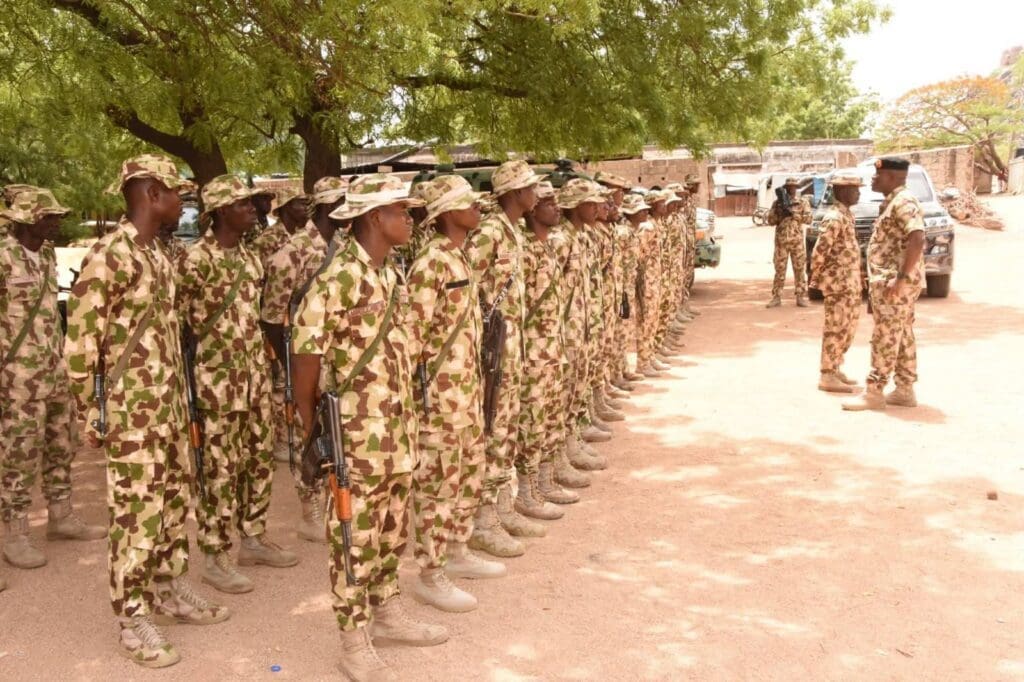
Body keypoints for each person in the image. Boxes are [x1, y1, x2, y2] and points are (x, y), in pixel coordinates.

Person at [65, 154, 229, 669]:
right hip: (132, 415)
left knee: (172, 504)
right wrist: (90, 413)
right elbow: (79, 346)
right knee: (136, 514)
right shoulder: (109, 257)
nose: (183, 204)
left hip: (168, 407)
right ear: (151, 193)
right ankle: (131, 614)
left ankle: (169, 588)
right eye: (177, 193)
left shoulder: (156, 255)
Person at [292, 173, 447, 681]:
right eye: (401, 211)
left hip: (395, 429)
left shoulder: (388, 273)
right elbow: (306, 356)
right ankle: (353, 639)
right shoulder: (338, 278)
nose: (409, 219)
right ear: (373, 218)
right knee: (353, 537)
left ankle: (387, 611)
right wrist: (313, 427)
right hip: (356, 435)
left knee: (391, 529)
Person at [177, 174, 299, 595]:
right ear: (220, 212)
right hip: (215, 385)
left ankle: (252, 537)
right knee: (218, 471)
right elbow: (178, 325)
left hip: (254, 381)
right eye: (243, 204)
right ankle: (214, 554)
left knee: (258, 462)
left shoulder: (251, 258)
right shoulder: (195, 260)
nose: (253, 209)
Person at [404, 175, 506, 614]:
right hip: (440, 399)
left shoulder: (459, 257)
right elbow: (413, 336)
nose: (477, 209)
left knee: (466, 475)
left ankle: (458, 550)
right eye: (467, 204)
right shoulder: (430, 264)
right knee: (438, 485)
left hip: (466, 390)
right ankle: (430, 573)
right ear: (446, 214)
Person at [1, 188, 105, 587]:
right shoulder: (3, 256)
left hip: (53, 367)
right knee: (19, 451)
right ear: (27, 220)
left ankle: (61, 516)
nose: (56, 222)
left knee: (62, 443)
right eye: (49, 217)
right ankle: (16, 533)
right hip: (17, 376)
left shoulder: (44, 254)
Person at [463, 160, 544, 557]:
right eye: (530, 187)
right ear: (513, 193)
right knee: (492, 432)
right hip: (492, 353)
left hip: (513, 349)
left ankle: (502, 506)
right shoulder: (489, 233)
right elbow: (468, 294)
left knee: (507, 430)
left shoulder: (513, 232)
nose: (536, 194)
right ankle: (482, 520)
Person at [261, 176, 348, 539]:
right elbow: (271, 316)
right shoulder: (292, 252)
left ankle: (334, 498)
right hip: (305, 353)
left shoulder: (343, 245)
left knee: (338, 427)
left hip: (339, 353)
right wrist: (290, 362)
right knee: (307, 430)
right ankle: (308, 505)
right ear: (329, 207)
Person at [844, 158, 925, 411]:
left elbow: (917, 237)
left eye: (877, 176)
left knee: (886, 336)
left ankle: (874, 392)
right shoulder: (893, 202)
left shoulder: (903, 201)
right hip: (893, 283)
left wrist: (900, 278)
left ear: (891, 176)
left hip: (894, 284)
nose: (872, 179)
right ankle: (904, 389)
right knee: (901, 335)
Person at [810, 173, 864, 393]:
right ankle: (827, 374)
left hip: (850, 283)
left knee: (848, 328)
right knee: (836, 327)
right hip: (838, 284)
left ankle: (836, 366)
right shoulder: (834, 217)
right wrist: (816, 278)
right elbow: (820, 251)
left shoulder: (846, 215)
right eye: (855, 189)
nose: (859, 192)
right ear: (843, 192)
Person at [766, 177, 812, 308]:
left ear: (796, 188)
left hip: (797, 241)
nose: (791, 189)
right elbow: (770, 221)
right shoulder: (777, 203)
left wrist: (793, 214)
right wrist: (780, 213)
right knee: (779, 269)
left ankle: (800, 297)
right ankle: (776, 297)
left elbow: (808, 219)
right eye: (789, 187)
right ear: (785, 188)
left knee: (799, 269)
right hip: (781, 241)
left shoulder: (803, 202)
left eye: (793, 187)